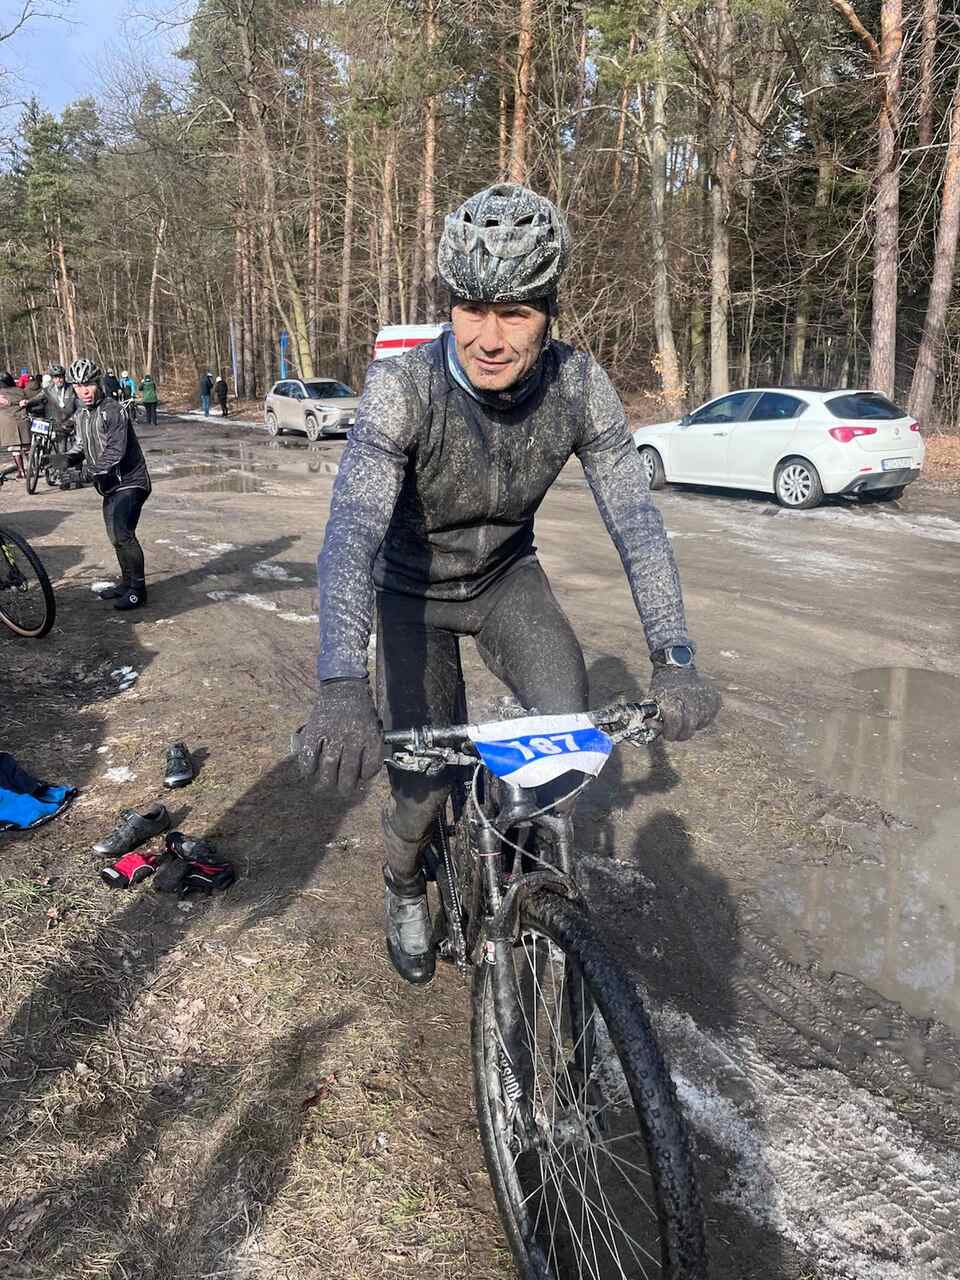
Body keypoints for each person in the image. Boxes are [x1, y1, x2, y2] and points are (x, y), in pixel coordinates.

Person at [296, 183, 720, 985]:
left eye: (516, 313)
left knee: (564, 744)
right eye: (471, 309)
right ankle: (402, 879)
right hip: (412, 596)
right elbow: (350, 532)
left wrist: (674, 656)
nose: (489, 338)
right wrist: (341, 684)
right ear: (450, 306)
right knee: (423, 791)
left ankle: (517, 885)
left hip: (505, 582)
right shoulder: (404, 386)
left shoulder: (578, 385)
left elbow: (636, 522)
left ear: (549, 314)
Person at [57, 357, 152, 612]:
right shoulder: (82, 415)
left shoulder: (113, 410)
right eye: (78, 386)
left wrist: (84, 474)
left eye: (88, 384)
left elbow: (114, 452)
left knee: (123, 533)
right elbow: (82, 445)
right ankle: (127, 583)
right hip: (109, 484)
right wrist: (66, 459)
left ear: (98, 383)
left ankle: (138, 590)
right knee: (115, 537)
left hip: (130, 481)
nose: (84, 391)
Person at [0, 373, 29, 477]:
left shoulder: (1, 393)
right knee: (27, 447)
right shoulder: (20, 391)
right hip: (22, 420)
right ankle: (32, 469)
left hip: (8, 422)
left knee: (14, 449)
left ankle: (21, 471)